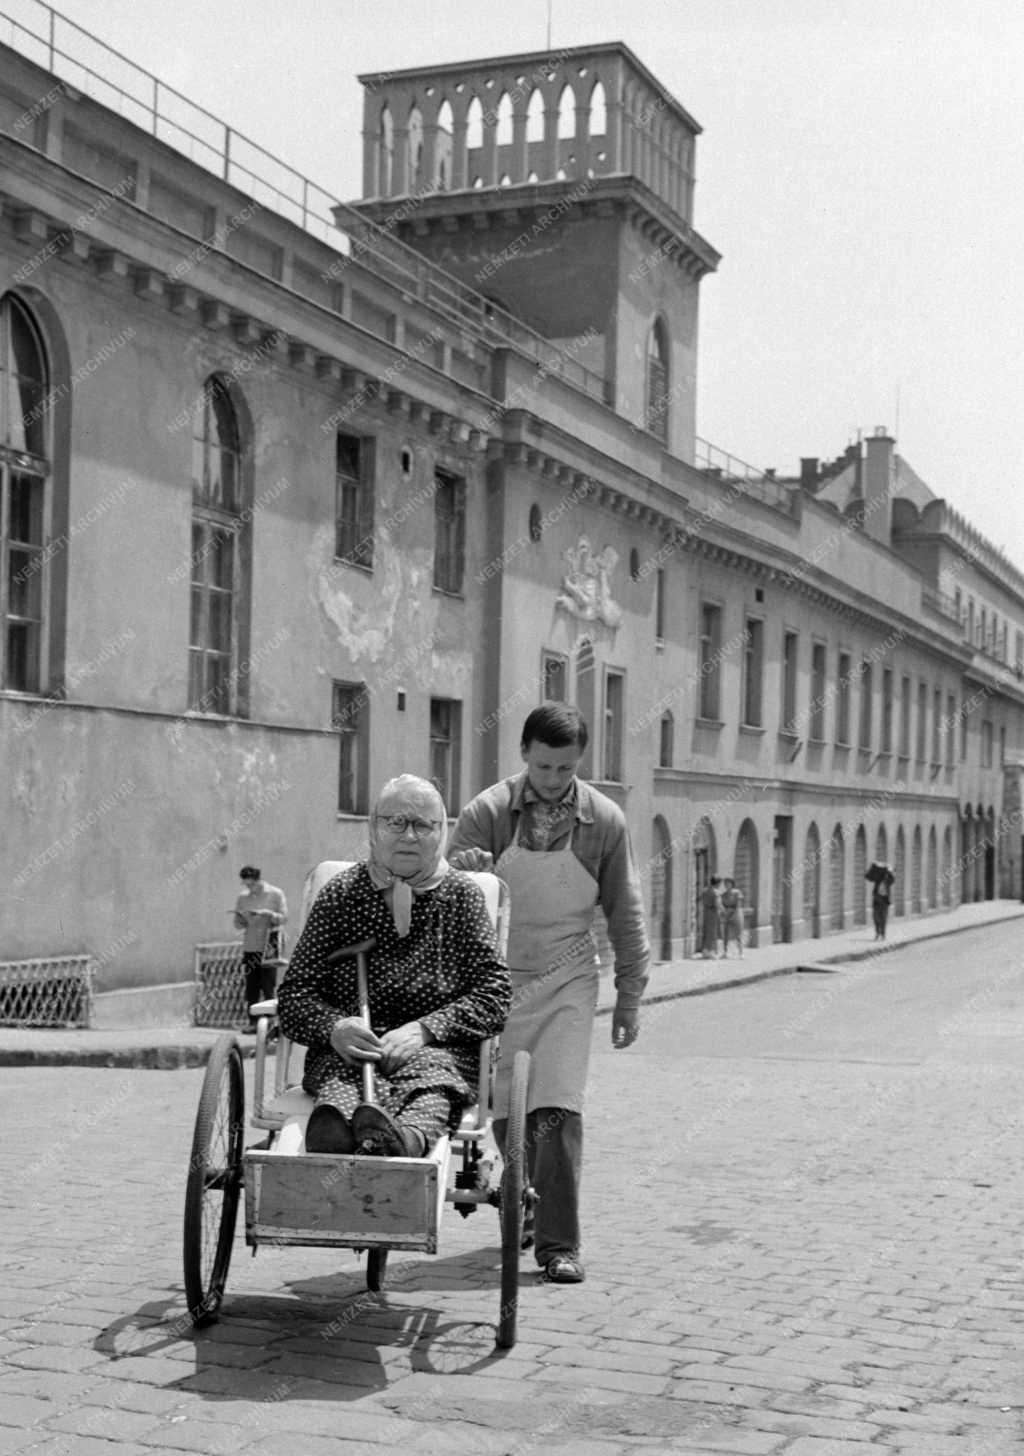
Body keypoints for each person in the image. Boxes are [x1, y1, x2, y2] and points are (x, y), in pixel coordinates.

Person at [448, 703, 649, 1285]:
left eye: (565, 769)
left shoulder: (604, 821)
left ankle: (560, 1245)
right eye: (543, 767)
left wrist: (630, 995)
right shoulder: (487, 812)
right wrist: (466, 872)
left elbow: (625, 912)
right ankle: (527, 1206)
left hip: (567, 978)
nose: (554, 781)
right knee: (507, 1109)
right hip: (495, 980)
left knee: (557, 1107)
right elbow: (443, 899)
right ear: (523, 755)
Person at [276, 775, 511, 1158]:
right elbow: (294, 995)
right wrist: (335, 1028)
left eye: (422, 824)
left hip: (439, 1054)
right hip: (348, 1053)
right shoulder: (341, 895)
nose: (408, 836)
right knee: (341, 1087)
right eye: (394, 822)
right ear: (373, 828)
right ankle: (333, 1137)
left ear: (442, 832)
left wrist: (426, 1030)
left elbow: (495, 994)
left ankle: (404, 1144)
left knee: (431, 1087)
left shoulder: (463, 897)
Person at [234, 866, 288, 1029]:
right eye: (246, 885)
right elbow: (237, 924)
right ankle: (253, 1022)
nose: (249, 888)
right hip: (251, 945)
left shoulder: (275, 894)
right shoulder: (243, 898)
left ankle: (271, 1022)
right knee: (251, 986)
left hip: (268, 947)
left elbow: (284, 918)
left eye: (251, 885)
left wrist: (268, 914)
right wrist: (242, 919)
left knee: (268, 985)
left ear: (258, 881)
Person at [866, 860, 895, 940]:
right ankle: (877, 932)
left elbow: (892, 880)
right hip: (877, 899)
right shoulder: (878, 878)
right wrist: (874, 866)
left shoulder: (889, 879)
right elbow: (868, 876)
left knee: (883, 918)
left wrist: (890, 871)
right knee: (875, 917)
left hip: (884, 900)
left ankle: (883, 934)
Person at [720, 877, 744, 958]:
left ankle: (741, 953)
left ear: (732, 884)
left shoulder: (737, 892)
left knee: (738, 933)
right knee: (726, 934)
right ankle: (725, 952)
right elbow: (722, 905)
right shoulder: (723, 895)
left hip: (737, 914)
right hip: (727, 914)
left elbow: (738, 904)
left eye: (728, 883)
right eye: (725, 884)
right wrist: (724, 914)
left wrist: (733, 915)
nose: (726, 885)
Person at [700, 876, 722, 958]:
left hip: (706, 912)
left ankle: (705, 951)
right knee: (713, 932)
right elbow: (717, 904)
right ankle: (711, 951)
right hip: (713, 913)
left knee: (706, 931)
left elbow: (702, 900)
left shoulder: (705, 891)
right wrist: (722, 911)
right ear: (718, 883)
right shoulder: (716, 892)